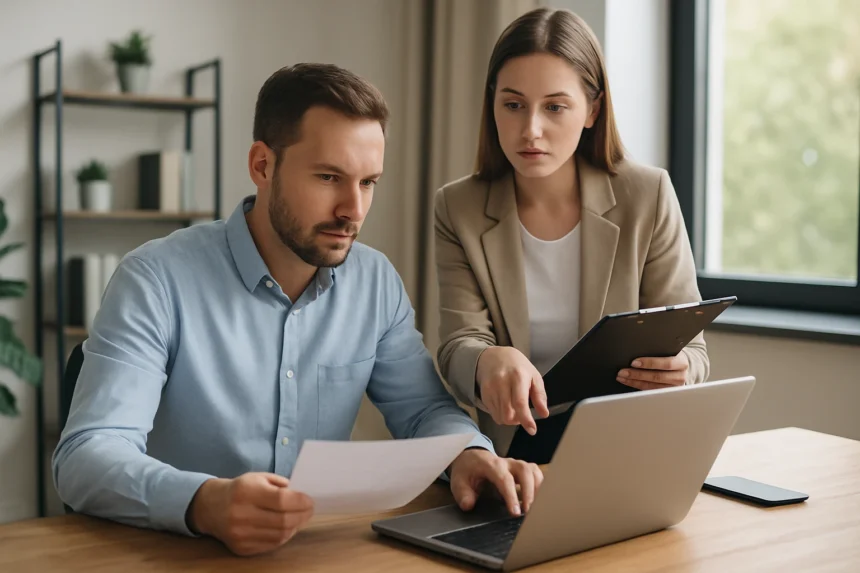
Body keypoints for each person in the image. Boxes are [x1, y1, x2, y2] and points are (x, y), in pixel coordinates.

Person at [53, 63, 542, 557]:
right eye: (329, 177)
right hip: (173, 557)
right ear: (262, 165)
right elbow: (85, 457)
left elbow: (423, 411)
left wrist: (469, 453)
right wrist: (203, 502)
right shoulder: (155, 279)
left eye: (368, 182)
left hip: (311, 554)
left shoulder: (373, 282)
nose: (353, 209)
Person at [434, 7, 709, 462]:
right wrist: (485, 361)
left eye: (555, 107)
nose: (531, 130)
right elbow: (457, 346)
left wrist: (682, 370)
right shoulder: (458, 207)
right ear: (493, 105)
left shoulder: (648, 194)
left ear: (592, 110)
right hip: (515, 457)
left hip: (628, 453)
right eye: (513, 104)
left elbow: (692, 348)